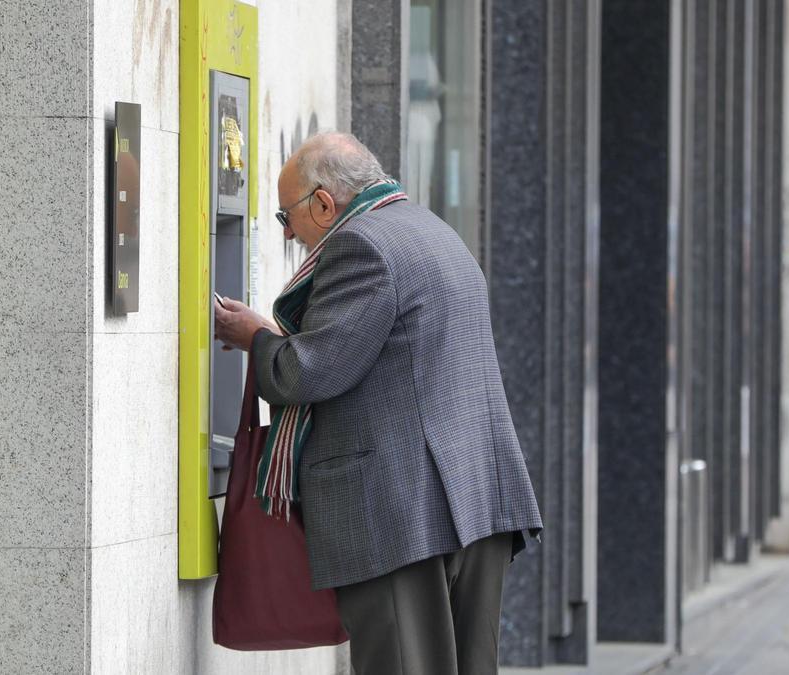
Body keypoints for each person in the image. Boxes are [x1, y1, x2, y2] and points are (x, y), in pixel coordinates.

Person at [213, 131, 543, 674]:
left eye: (286, 216)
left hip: (400, 511)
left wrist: (258, 338)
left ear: (323, 202)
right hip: (473, 498)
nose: (290, 232)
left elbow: (306, 373)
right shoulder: (430, 230)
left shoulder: (359, 245)